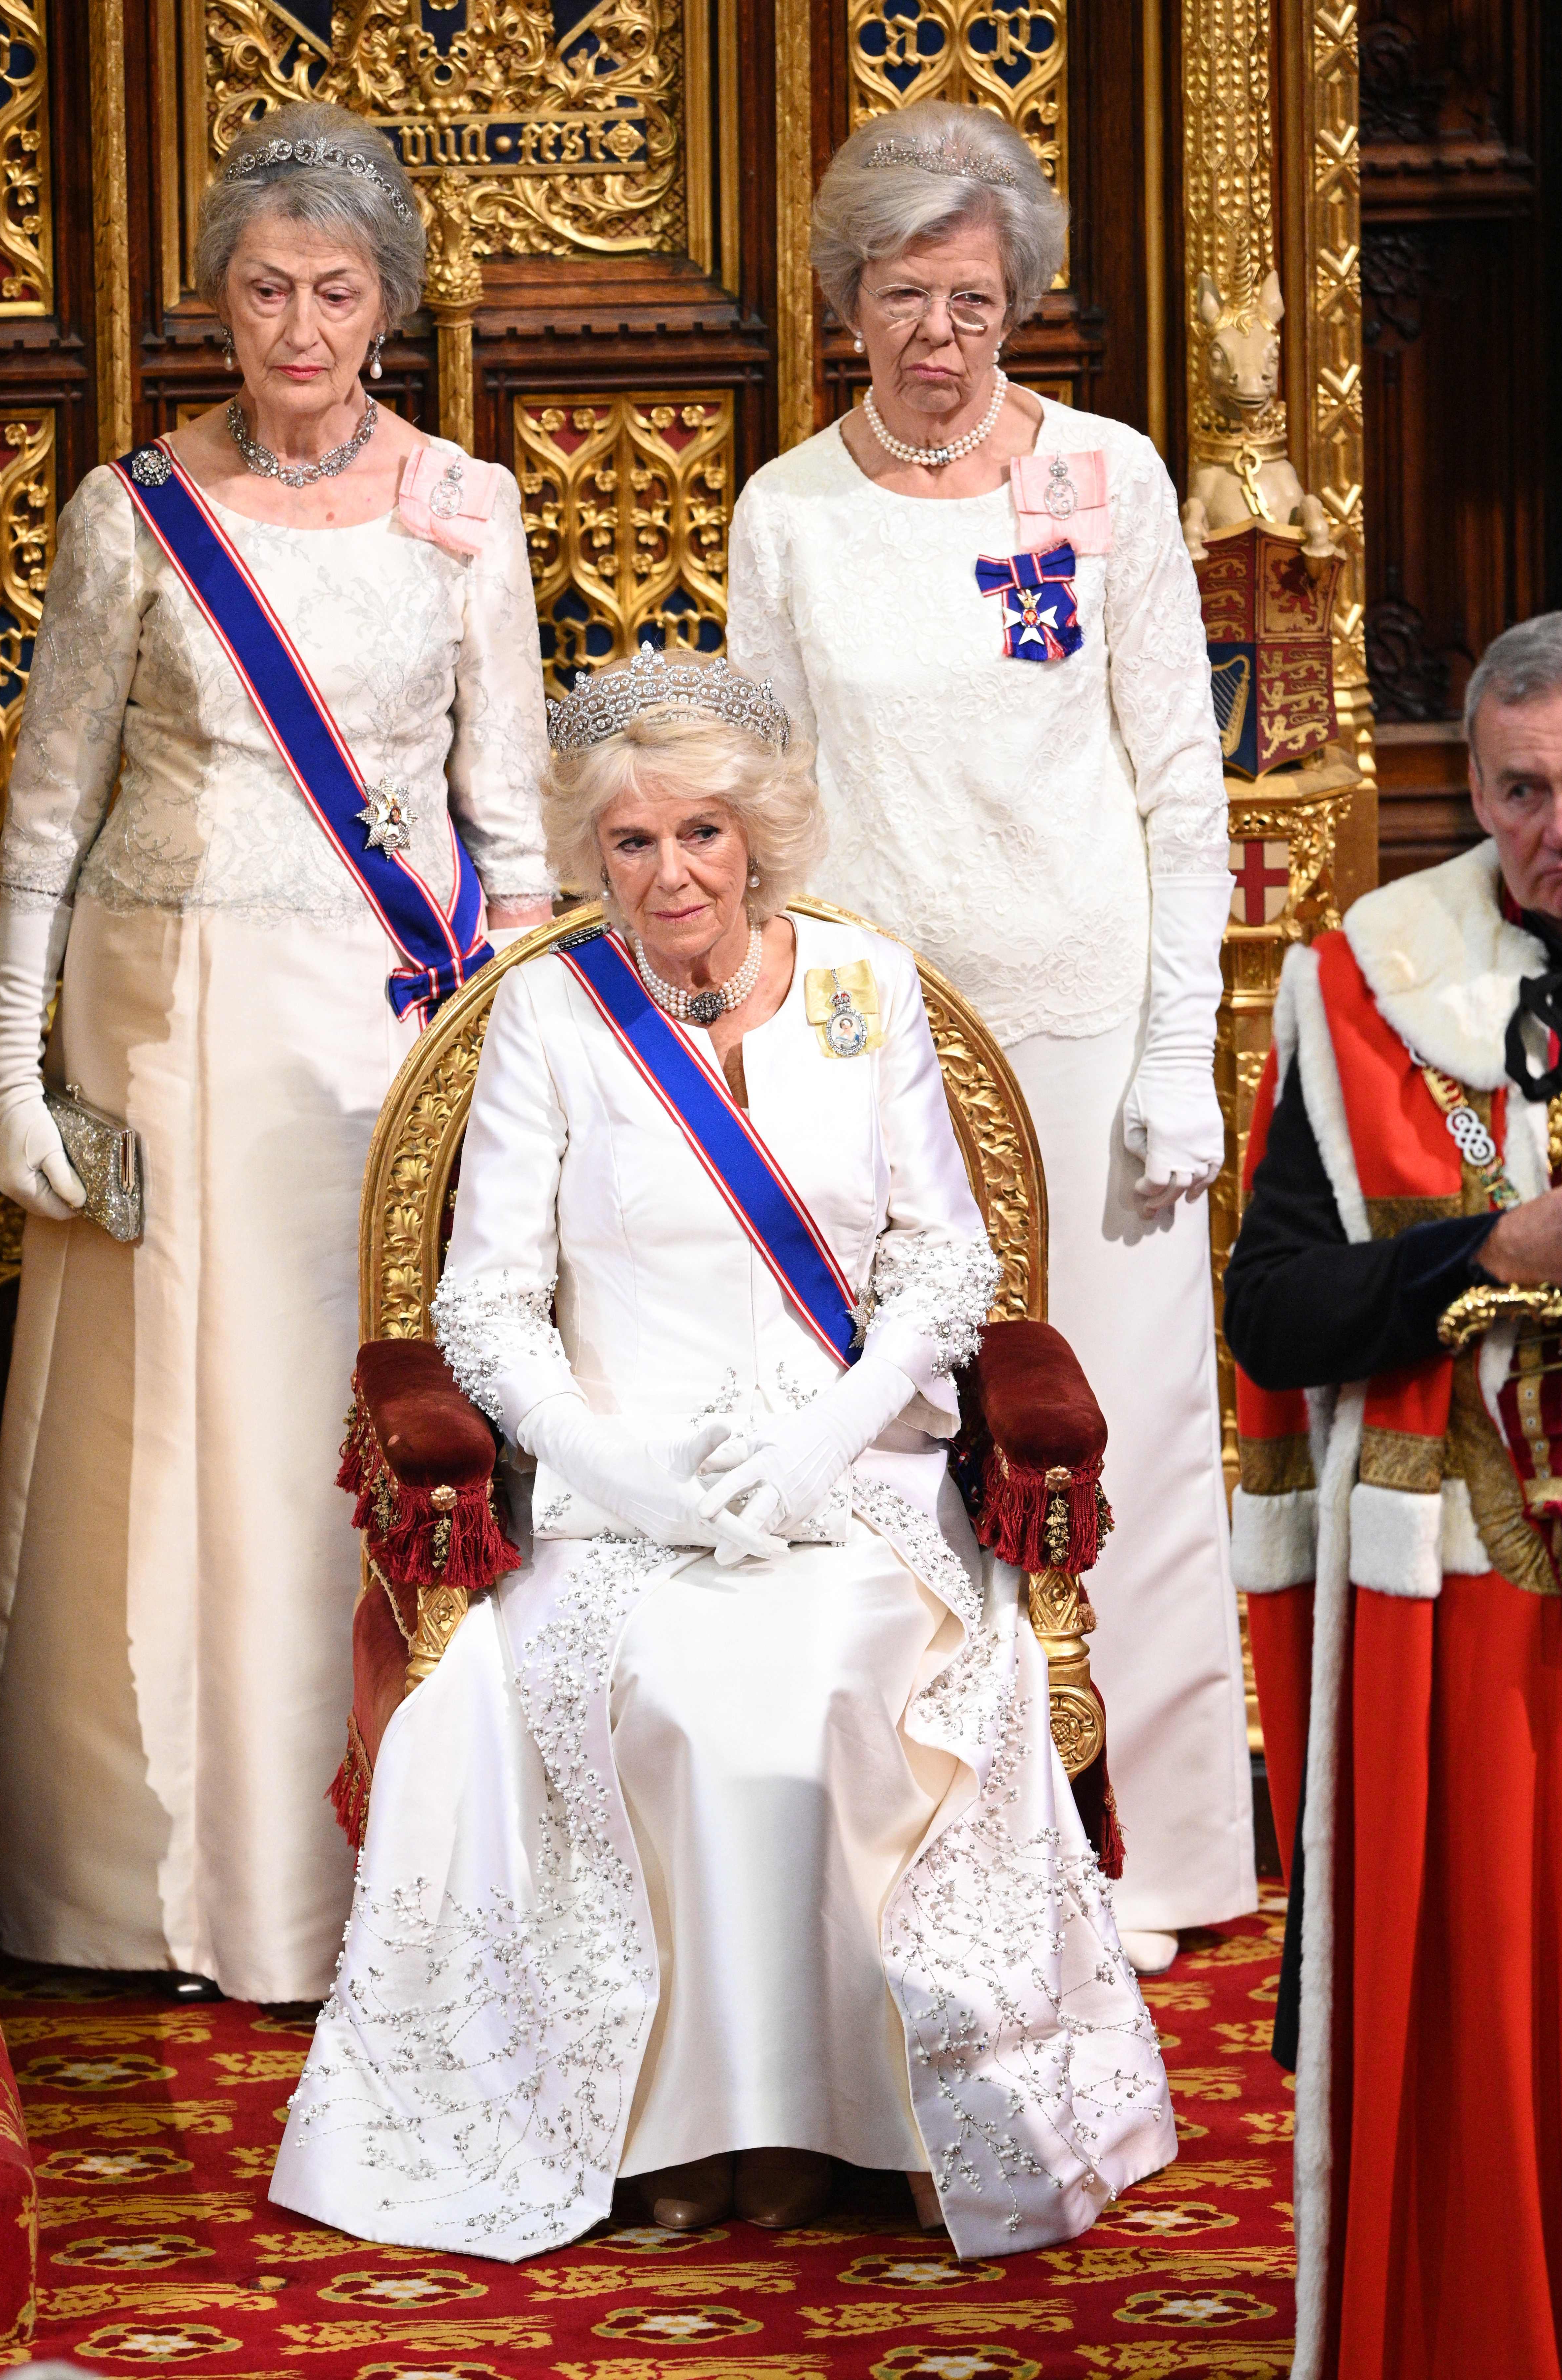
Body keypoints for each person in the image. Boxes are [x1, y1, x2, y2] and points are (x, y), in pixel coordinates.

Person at [269, 647, 1173, 2258]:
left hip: (860, 1485)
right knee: (671, 1692)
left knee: (836, 1679)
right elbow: (481, 1303)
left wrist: (837, 1427)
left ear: (757, 835)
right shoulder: (550, 1012)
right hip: (627, 1497)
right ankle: (682, 2125)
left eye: (700, 833)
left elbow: (945, 1263)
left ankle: (860, 2117)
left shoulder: (863, 989)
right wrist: (607, 1468)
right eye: (630, 842)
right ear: (591, 856)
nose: (669, 871)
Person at [0, 100, 552, 2005]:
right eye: (265, 289)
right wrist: (10, 1073)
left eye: (337, 292)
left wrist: (533, 1088)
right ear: (218, 303)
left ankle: (365, 1861)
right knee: (160, 1431)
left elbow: (518, 826)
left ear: (391, 307)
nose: (300, 327)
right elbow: (45, 811)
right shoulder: (131, 513)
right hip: (160, 1018)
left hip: (385, 1034)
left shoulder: (466, 506)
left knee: (345, 1423)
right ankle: (139, 1882)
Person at [726, 100, 1250, 1970]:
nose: (936, 334)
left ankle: (1169, 1860)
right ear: (845, 307)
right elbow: (760, 803)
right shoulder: (786, 510)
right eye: (898, 296)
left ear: (1019, 296)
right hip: (881, 1034)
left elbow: (1182, 787)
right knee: (905, 1445)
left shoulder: (1109, 481)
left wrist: (1179, 1046)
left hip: (1094, 1024)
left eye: (968, 297)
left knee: (1126, 1439)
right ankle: (933, 1859)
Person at [1224, 613, 1562, 2380]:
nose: (1559, 826)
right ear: (1472, 785)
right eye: (1521, 791)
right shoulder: (1372, 978)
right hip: (1477, 1612)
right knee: (1495, 2005)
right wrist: (1495, 1248)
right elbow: (1273, 1314)